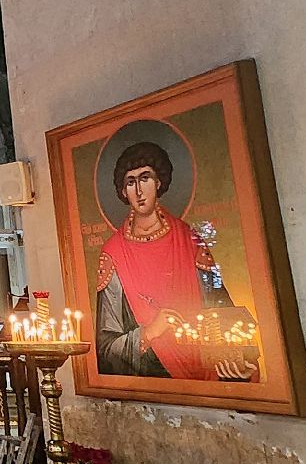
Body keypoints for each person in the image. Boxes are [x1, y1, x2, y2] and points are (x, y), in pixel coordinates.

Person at [94, 141, 238, 380]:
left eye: (145, 178)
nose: (139, 191)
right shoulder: (114, 254)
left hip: (203, 365)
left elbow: (222, 310)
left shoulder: (189, 240)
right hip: (151, 370)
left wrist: (233, 357)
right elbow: (106, 349)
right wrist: (149, 333)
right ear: (123, 191)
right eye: (131, 182)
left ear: (159, 182)